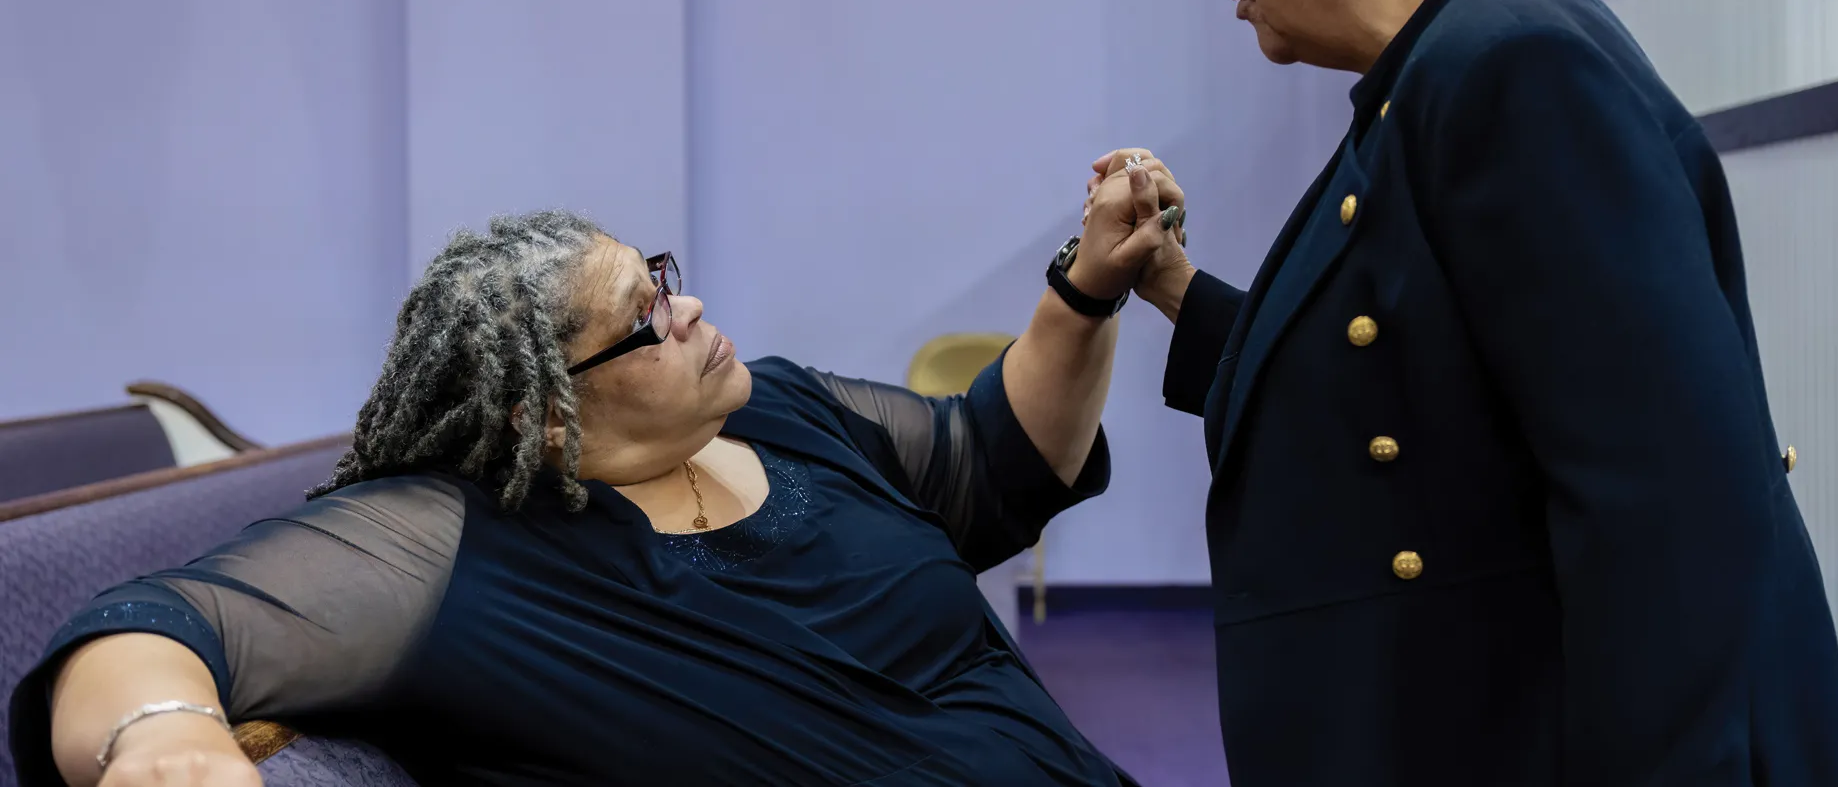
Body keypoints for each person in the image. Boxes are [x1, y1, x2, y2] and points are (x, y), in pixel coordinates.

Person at [1094, 0, 1838, 785]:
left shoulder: (1512, 67)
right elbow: (1398, 390)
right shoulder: (1434, 70)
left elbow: (1661, 509)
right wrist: (1173, 286)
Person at [12, 156, 1182, 787]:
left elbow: (996, 454)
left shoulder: (780, 408)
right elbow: (151, 621)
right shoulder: (451, 545)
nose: (693, 310)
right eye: (647, 315)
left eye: (662, 278)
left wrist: (1083, 289)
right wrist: (165, 733)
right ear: (542, 409)